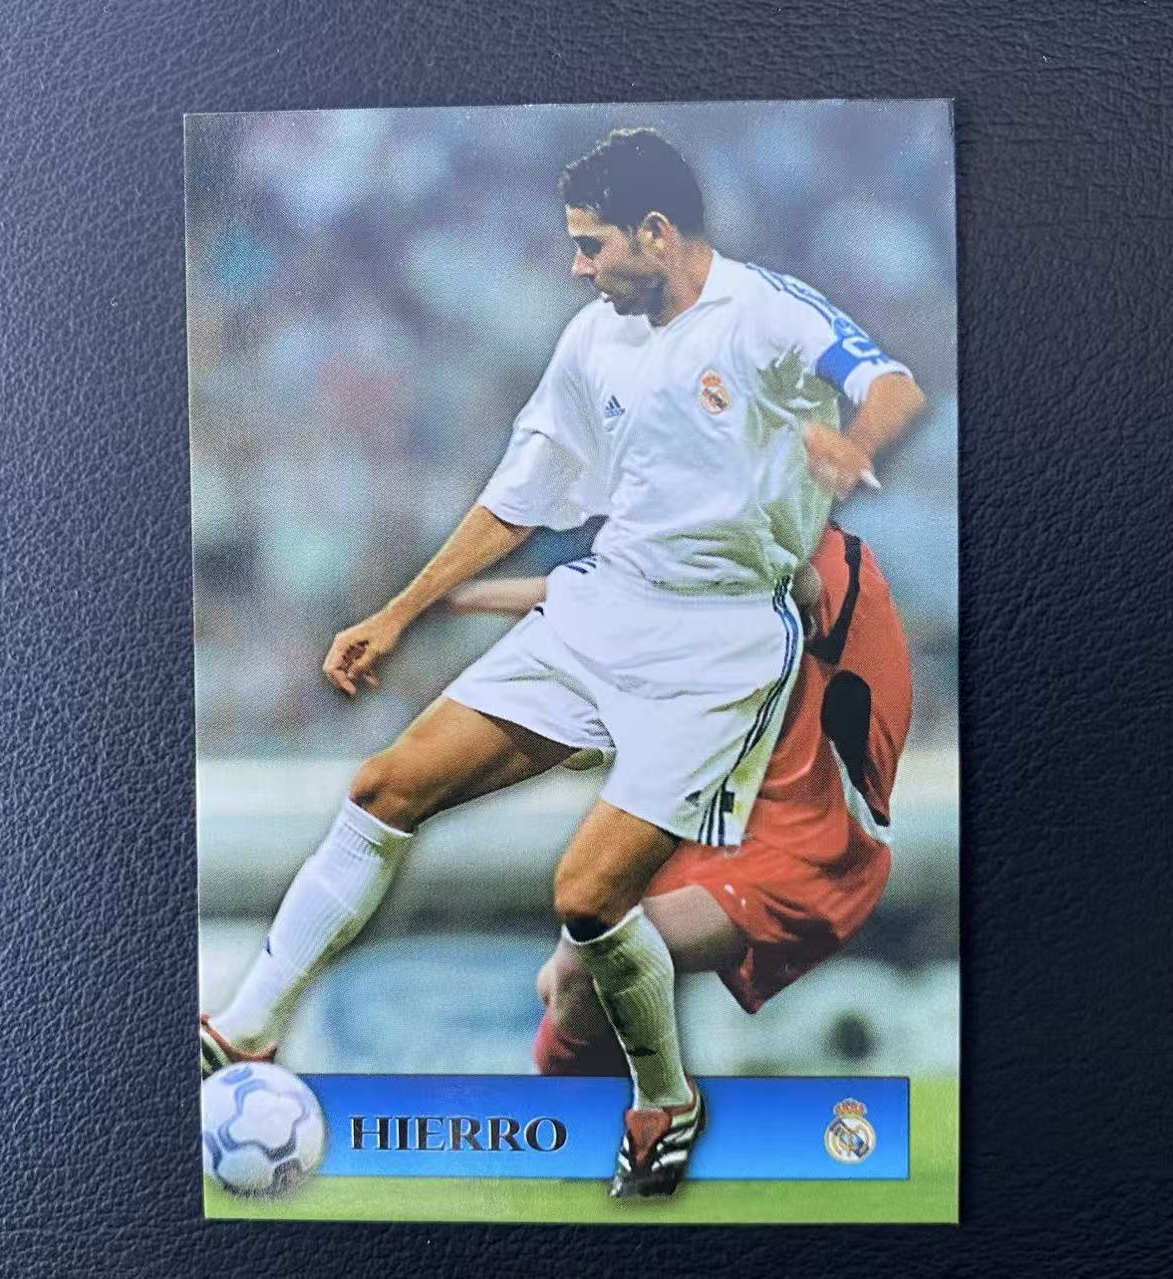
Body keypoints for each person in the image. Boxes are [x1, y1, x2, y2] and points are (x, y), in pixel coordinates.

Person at [199, 128, 926, 1198]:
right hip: (602, 607)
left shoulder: (765, 312)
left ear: (656, 232)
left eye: (592, 245)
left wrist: (854, 446)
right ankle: (246, 1025)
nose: (578, 267)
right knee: (385, 786)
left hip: (719, 648)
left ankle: (664, 1100)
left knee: (586, 894)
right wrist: (400, 613)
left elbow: (893, 385)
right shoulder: (593, 340)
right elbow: (518, 499)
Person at [447, 523, 912, 1076]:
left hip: (811, 846)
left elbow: (784, 590)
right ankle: (608, 1116)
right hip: (716, 826)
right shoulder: (707, 555)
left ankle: (564, 1111)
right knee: (568, 983)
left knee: (589, 961)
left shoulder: (823, 561)